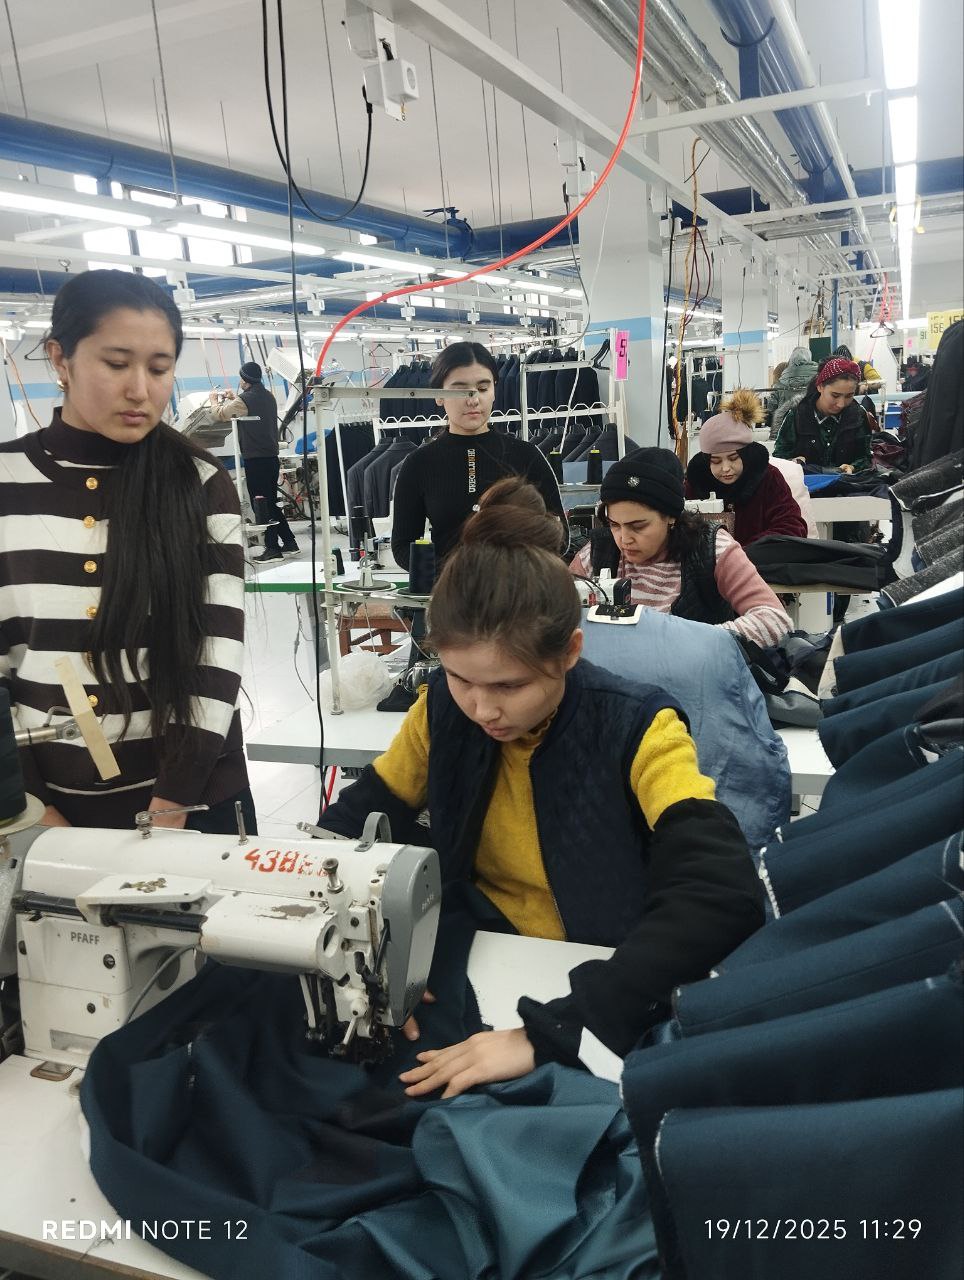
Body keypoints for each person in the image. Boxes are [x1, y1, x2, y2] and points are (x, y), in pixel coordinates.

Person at [319, 478, 764, 1093]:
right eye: (460, 678)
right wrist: (369, 963)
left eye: (509, 686)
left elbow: (721, 891)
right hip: (477, 953)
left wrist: (555, 1030)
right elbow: (353, 826)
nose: (482, 709)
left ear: (570, 651)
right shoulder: (440, 711)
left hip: (601, 974)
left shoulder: (640, 728)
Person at [0, 269, 255, 835]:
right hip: (48, 806)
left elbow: (216, 651)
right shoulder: (5, 482)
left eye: (159, 369)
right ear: (60, 359)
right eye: (117, 364)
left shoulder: (198, 480)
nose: (140, 389)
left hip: (195, 802)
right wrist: (32, 807)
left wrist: (171, 806)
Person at [569, 448, 792, 648]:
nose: (624, 539)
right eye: (614, 525)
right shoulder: (597, 553)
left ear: (671, 517)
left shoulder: (712, 549)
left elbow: (774, 619)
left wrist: (688, 643)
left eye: (638, 526)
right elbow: (557, 619)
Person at [390, 342, 566, 571]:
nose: (473, 400)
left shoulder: (526, 456)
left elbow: (559, 535)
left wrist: (515, 570)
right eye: (460, 390)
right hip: (449, 589)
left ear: (494, 391)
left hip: (516, 588)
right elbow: (403, 546)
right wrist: (452, 573)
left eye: (483, 388)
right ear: (438, 395)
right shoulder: (419, 464)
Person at [685, 389, 808, 548]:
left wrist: (741, 553)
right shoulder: (696, 484)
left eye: (733, 458)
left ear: (746, 455)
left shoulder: (769, 478)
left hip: (759, 559)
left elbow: (792, 526)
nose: (725, 468)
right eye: (716, 461)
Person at [210, 361, 299, 563]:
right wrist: (234, 399)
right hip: (271, 457)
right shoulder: (268, 396)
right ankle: (289, 542)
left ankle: (272, 549)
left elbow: (220, 415)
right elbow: (246, 407)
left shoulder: (245, 400)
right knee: (270, 502)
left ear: (245, 380)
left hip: (256, 459)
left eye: (241, 378)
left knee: (261, 504)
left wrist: (214, 400)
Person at [772, 356, 873, 473]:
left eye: (849, 396)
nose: (841, 404)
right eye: (835, 395)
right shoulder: (797, 415)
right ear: (820, 387)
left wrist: (853, 467)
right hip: (807, 483)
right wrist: (793, 462)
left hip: (847, 482)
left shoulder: (858, 415)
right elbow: (779, 457)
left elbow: (866, 457)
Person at [768, 346, 818, 437]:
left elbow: (771, 407)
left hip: (784, 427)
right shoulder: (818, 379)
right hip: (812, 425)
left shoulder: (780, 382)